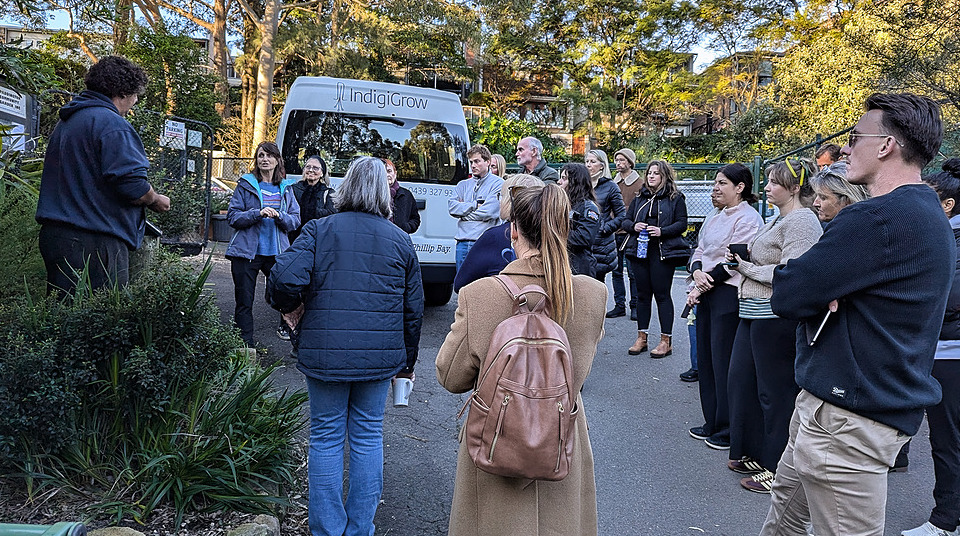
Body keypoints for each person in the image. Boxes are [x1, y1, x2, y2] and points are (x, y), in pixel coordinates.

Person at [761, 93, 954, 536]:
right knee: (783, 522)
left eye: (854, 137)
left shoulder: (876, 219)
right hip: (839, 409)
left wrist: (828, 292)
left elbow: (788, 293)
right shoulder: (926, 212)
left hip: (846, 422)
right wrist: (830, 292)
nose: (846, 148)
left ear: (886, 145)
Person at [436, 183, 606, 536]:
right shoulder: (592, 295)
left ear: (513, 231)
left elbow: (450, 377)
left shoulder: (480, 295)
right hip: (562, 440)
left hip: (498, 443)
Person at [267, 156, 424, 536]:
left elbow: (283, 279)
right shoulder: (400, 240)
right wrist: (406, 364)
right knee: (369, 436)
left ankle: (326, 529)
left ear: (346, 186)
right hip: (379, 358)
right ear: (384, 193)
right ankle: (360, 529)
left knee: (325, 436)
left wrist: (292, 312)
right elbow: (413, 310)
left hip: (323, 352)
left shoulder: (319, 230)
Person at [724, 158, 822, 495]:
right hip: (751, 312)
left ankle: (778, 468)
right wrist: (743, 258)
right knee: (743, 382)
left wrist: (747, 268)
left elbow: (792, 271)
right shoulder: (776, 219)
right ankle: (753, 449)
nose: (765, 187)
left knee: (775, 393)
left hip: (774, 317)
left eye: (773, 182)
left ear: (794, 187)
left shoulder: (803, 222)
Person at [36, 55, 171, 296]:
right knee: (103, 321)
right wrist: (155, 199)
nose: (135, 101)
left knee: (64, 319)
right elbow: (132, 186)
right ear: (121, 93)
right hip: (95, 240)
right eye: (134, 95)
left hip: (57, 237)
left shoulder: (69, 121)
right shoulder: (112, 124)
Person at [900, 158, 960, 536]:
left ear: (948, 205)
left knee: (947, 439)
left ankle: (944, 519)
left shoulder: (948, 241)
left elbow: (948, 298)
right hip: (942, 349)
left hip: (949, 352)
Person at [686, 163, 763, 451]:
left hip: (727, 294)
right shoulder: (712, 217)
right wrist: (696, 274)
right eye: (715, 183)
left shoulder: (748, 219)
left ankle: (728, 427)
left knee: (724, 363)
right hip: (706, 289)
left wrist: (707, 281)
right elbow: (699, 250)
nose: (715, 189)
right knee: (706, 360)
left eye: (722, 183)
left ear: (739, 187)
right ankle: (712, 421)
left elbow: (736, 259)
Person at [226, 141, 301, 347]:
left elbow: (295, 220)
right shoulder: (246, 184)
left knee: (287, 295)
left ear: (278, 160)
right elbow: (233, 217)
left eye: (269, 156)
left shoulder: (286, 188)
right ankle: (244, 346)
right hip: (246, 252)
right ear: (256, 161)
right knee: (244, 301)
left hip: (277, 253)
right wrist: (256, 214)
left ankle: (293, 335)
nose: (264, 160)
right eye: (260, 156)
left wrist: (280, 216)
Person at [620, 160, 689, 358]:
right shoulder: (639, 197)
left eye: (656, 173)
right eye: (649, 173)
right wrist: (634, 226)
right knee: (642, 294)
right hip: (639, 252)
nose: (651, 176)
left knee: (662, 295)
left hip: (662, 252)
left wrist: (662, 231)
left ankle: (665, 341)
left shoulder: (675, 198)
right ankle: (642, 337)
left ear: (664, 176)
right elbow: (626, 220)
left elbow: (682, 224)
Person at [453, 174, 544, 292]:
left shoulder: (495, 237)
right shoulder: (553, 233)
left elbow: (461, 285)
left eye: (500, 196)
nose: (498, 201)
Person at [449, 144, 504, 272]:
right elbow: (452, 208)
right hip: (462, 243)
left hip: (484, 241)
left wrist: (463, 214)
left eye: (477, 161)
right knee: (462, 287)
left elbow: (489, 212)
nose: (473, 165)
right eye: (471, 162)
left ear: (488, 162)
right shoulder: (462, 185)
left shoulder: (498, 183)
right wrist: (474, 205)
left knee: (482, 286)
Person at [608, 148, 644, 319]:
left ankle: (635, 305)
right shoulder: (612, 183)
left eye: (622, 160)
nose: (618, 163)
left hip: (631, 234)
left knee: (632, 272)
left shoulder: (639, 183)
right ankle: (619, 305)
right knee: (615, 271)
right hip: (614, 232)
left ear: (630, 162)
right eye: (617, 160)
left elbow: (640, 208)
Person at [585, 149, 626, 283]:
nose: (588, 165)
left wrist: (605, 228)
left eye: (592, 161)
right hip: (582, 242)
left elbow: (621, 215)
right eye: (586, 161)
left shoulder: (610, 186)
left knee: (596, 286)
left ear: (602, 165)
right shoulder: (581, 185)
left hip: (600, 245)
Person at [559, 163, 600, 277]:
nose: (559, 182)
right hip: (564, 264)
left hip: (580, 268)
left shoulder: (589, 208)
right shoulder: (565, 205)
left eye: (564, 178)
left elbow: (584, 238)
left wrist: (555, 232)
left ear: (575, 182)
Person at [290, 155, 336, 243]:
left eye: (315, 168)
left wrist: (310, 210)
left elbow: (332, 216)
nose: (311, 170)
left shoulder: (329, 193)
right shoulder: (293, 189)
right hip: (293, 239)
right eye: (308, 167)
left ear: (322, 173)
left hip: (318, 240)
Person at [384, 158, 420, 234]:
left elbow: (415, 219)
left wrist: (406, 227)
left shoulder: (406, 195)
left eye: (389, 171)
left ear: (395, 173)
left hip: (400, 239)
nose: (387, 175)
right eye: (383, 172)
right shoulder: (373, 195)